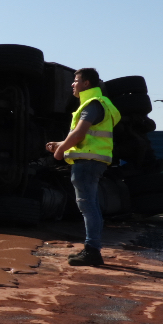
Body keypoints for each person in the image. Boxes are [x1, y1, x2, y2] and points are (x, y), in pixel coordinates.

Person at [46, 68, 121, 267]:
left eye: (76, 80)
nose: (73, 84)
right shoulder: (100, 103)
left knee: (88, 207)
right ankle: (92, 249)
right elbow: (85, 138)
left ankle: (92, 250)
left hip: (86, 164)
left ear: (86, 83)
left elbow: (79, 134)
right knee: (91, 206)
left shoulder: (91, 104)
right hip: (94, 161)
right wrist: (61, 143)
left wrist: (60, 150)